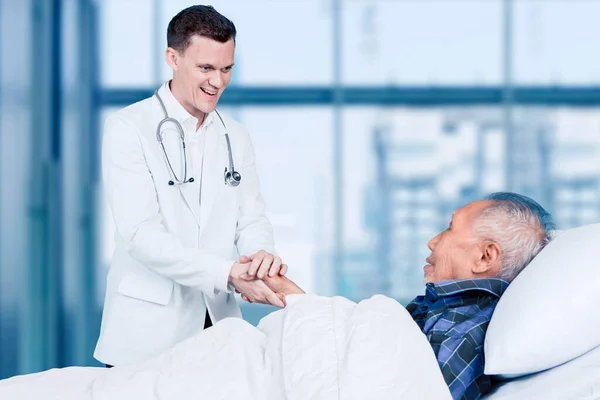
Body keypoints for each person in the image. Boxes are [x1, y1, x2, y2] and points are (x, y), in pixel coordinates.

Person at [95, 5, 287, 368]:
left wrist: (261, 255)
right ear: (173, 58)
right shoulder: (129, 127)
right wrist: (229, 273)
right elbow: (140, 234)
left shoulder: (235, 135)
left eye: (227, 69)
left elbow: (251, 220)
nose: (218, 82)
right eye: (206, 68)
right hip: (146, 332)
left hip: (217, 327)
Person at [255, 192, 555, 400]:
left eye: (449, 230)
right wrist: (300, 302)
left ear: (484, 256)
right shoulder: (443, 314)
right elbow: (359, 355)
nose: (432, 241)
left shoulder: (464, 334)